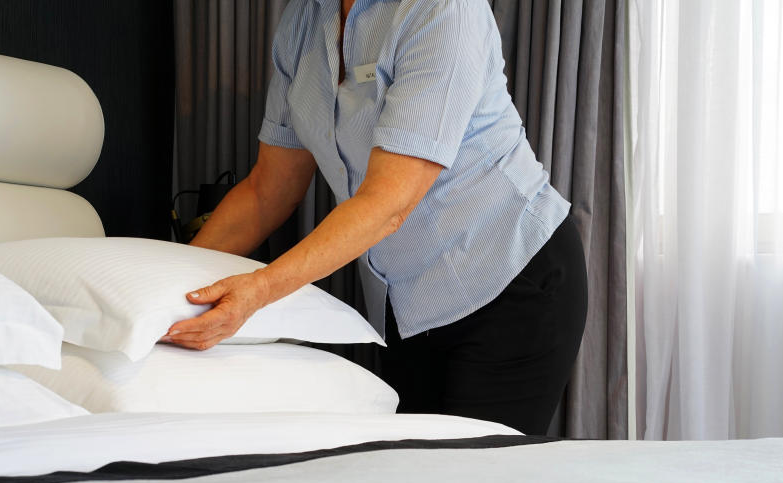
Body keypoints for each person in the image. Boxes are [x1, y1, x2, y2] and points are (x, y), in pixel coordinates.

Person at [163, 0, 587, 435]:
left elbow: (388, 204)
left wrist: (259, 290)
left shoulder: (442, 11)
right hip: (409, 304)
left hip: (509, 280)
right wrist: (167, 284)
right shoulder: (304, 22)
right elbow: (265, 192)